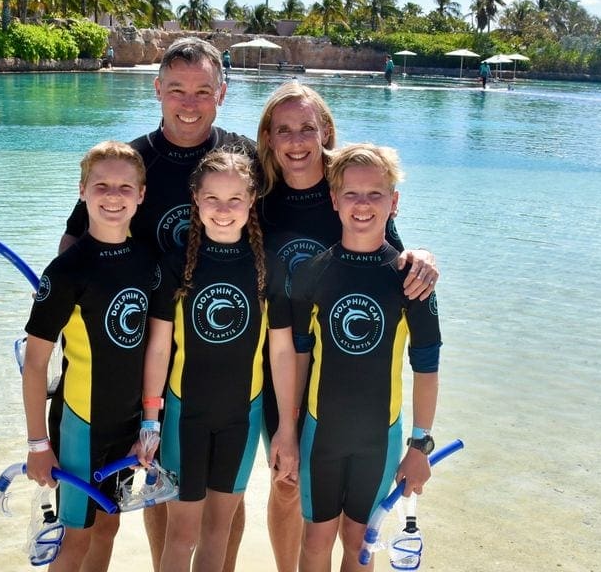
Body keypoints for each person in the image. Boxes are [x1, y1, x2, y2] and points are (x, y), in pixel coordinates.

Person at [58, 36, 255, 571]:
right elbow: (76, 241)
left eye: (202, 91)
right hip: (138, 348)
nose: (188, 103)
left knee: (223, 488)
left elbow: (328, 194)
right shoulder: (134, 161)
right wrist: (63, 325)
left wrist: (400, 249)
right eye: (176, 90)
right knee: (155, 479)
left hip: (222, 354)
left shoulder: (241, 157)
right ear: (156, 91)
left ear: (223, 94)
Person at [254, 82, 439, 572]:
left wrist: (423, 258)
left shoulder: (351, 185)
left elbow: (394, 260)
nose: (296, 140)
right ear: (268, 138)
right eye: (284, 129)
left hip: (351, 398)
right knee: (285, 487)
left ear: (325, 132)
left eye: (307, 128)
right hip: (275, 366)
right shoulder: (258, 195)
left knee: (355, 538)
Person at [138, 149, 298, 572]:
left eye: (234, 200)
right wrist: (150, 420)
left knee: (216, 536)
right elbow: (158, 347)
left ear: (251, 202)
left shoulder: (268, 266)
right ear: (196, 200)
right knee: (181, 535)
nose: (223, 210)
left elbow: (281, 352)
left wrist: (285, 425)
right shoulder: (176, 265)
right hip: (182, 417)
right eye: (212, 199)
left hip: (241, 421)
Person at [289, 143, 442, 572]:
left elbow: (426, 368)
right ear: (334, 200)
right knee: (316, 539)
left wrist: (420, 446)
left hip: (380, 436)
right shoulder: (313, 272)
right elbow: (299, 357)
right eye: (352, 194)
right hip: (321, 433)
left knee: (360, 541)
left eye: (375, 194)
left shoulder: (411, 281)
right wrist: (288, 428)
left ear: (394, 203)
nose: (362, 204)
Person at [22, 141, 156, 571]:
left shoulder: (146, 261)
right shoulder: (65, 272)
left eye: (124, 187)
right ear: (82, 191)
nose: (112, 196)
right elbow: (36, 363)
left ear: (141, 195)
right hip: (81, 426)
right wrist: (38, 443)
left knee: (108, 526)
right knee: (75, 538)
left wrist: (149, 425)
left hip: (127, 425)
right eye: (101, 185)